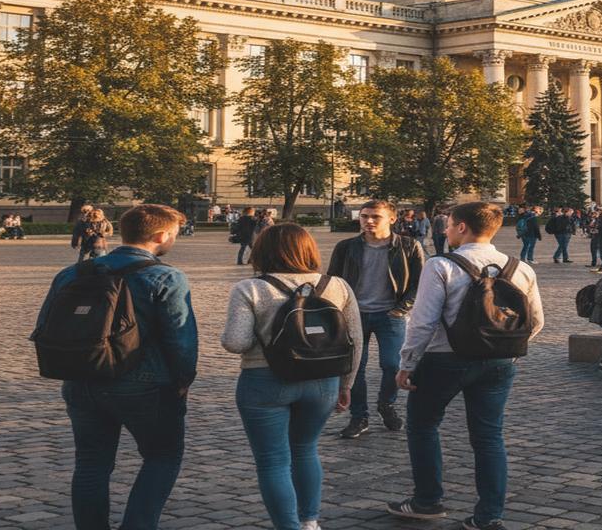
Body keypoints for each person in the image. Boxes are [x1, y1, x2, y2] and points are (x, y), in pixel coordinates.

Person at [36, 204, 195, 530]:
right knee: (162, 456)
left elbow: (45, 326)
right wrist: (183, 380)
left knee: (91, 463)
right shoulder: (166, 276)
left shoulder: (71, 273)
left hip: (82, 378)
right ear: (161, 236)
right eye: (174, 235)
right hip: (146, 383)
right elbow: (181, 339)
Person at [388, 202, 544, 530]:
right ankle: (489, 516)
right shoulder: (521, 268)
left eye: (448, 225)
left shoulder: (441, 264)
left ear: (462, 227)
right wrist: (505, 350)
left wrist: (407, 363)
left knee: (423, 426)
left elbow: (423, 321)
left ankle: (427, 500)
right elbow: (535, 322)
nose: (445, 230)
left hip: (444, 360)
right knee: (489, 437)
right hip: (499, 364)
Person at [221, 223, 364, 530]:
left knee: (273, 460)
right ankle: (310, 521)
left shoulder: (250, 288)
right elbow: (355, 340)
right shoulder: (337, 285)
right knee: (306, 450)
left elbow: (235, 342)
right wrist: (347, 384)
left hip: (265, 380)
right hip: (323, 382)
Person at [327, 200, 424, 439]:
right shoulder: (346, 247)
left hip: (391, 314)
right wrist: (338, 312)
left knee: (392, 364)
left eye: (375, 217)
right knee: (355, 367)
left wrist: (401, 309)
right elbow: (333, 281)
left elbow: (419, 283)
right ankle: (359, 416)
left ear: (392, 219)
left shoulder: (409, 246)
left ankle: (386, 404)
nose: (368, 221)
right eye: (364, 216)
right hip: (354, 314)